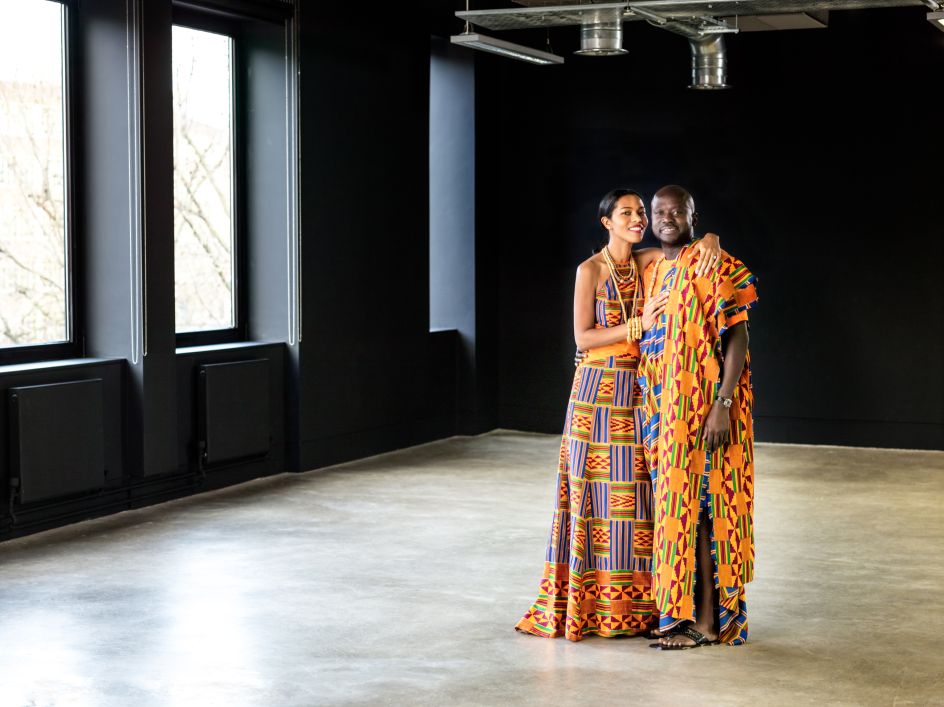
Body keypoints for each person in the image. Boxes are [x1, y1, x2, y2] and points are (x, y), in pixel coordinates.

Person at [515, 189, 721, 641]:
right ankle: (590, 608)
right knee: (595, 499)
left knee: (636, 502)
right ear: (605, 221)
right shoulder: (589, 270)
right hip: (597, 395)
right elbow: (583, 337)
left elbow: (684, 246)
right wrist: (637, 326)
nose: (638, 218)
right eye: (626, 213)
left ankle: (639, 609)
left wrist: (712, 238)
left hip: (640, 391)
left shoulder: (647, 261)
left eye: (640, 212)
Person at [637, 185, 758, 649]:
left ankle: (709, 621)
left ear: (693, 216)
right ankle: (678, 614)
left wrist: (722, 405)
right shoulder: (654, 270)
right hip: (660, 414)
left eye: (677, 212)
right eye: (659, 212)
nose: (667, 218)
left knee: (708, 511)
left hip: (704, 411)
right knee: (675, 513)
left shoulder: (714, 263)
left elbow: (737, 337)